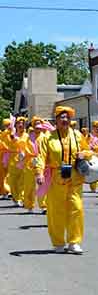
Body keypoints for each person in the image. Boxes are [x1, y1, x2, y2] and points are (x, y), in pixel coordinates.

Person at [35, 106, 92, 254]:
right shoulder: (47, 137)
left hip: (75, 177)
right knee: (56, 211)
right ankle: (58, 242)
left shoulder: (78, 135)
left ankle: (74, 242)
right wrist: (39, 173)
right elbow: (40, 157)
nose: (65, 120)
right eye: (61, 117)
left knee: (77, 208)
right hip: (56, 177)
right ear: (56, 120)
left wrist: (83, 154)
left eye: (67, 117)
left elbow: (90, 152)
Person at [22, 116, 47, 213]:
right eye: (36, 125)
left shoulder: (45, 137)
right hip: (30, 163)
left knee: (42, 184)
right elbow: (23, 149)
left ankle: (43, 205)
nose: (38, 127)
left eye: (39, 125)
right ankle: (29, 205)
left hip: (41, 161)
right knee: (29, 186)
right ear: (33, 126)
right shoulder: (28, 138)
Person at [6, 117, 29, 207]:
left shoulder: (27, 136)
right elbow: (7, 144)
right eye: (18, 123)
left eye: (22, 123)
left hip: (24, 161)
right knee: (13, 182)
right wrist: (11, 137)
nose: (20, 125)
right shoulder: (11, 135)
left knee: (23, 181)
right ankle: (15, 198)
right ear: (15, 125)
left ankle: (21, 198)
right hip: (13, 161)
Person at [0, 118, 11, 198]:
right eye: (6, 125)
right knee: (3, 175)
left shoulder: (12, 133)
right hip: (3, 156)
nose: (7, 127)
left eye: (8, 125)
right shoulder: (3, 134)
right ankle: (5, 191)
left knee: (9, 174)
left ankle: (8, 190)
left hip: (11, 156)